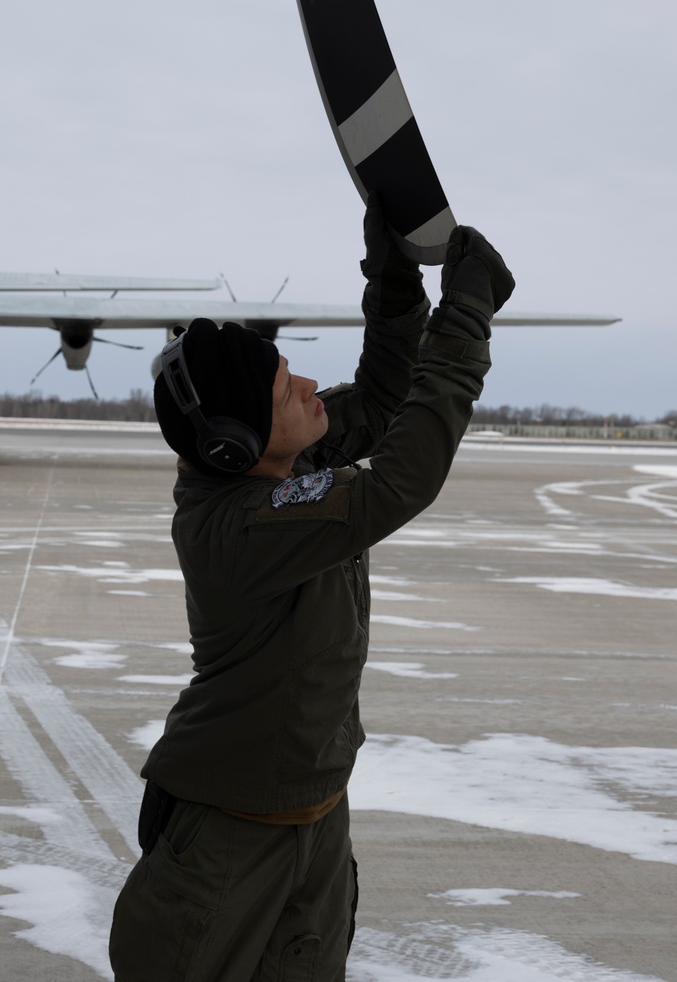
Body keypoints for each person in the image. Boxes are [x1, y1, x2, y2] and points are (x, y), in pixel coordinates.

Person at [109, 198, 514, 981]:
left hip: (314, 819)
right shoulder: (242, 526)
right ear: (235, 445)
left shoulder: (283, 469)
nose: (311, 390)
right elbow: (402, 477)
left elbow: (389, 402)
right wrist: (464, 322)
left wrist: (395, 287)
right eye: (288, 391)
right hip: (230, 837)